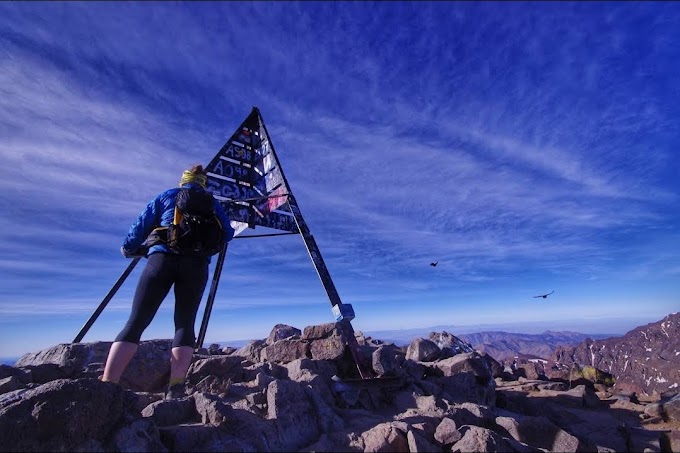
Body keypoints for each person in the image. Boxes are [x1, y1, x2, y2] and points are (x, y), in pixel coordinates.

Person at [101, 164, 235, 399]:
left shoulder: (167, 196)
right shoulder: (212, 203)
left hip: (161, 260)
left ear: (184, 180)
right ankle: (176, 386)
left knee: (136, 322)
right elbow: (228, 233)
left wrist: (130, 248)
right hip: (196, 265)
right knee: (184, 324)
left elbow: (141, 225)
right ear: (203, 182)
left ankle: (107, 385)